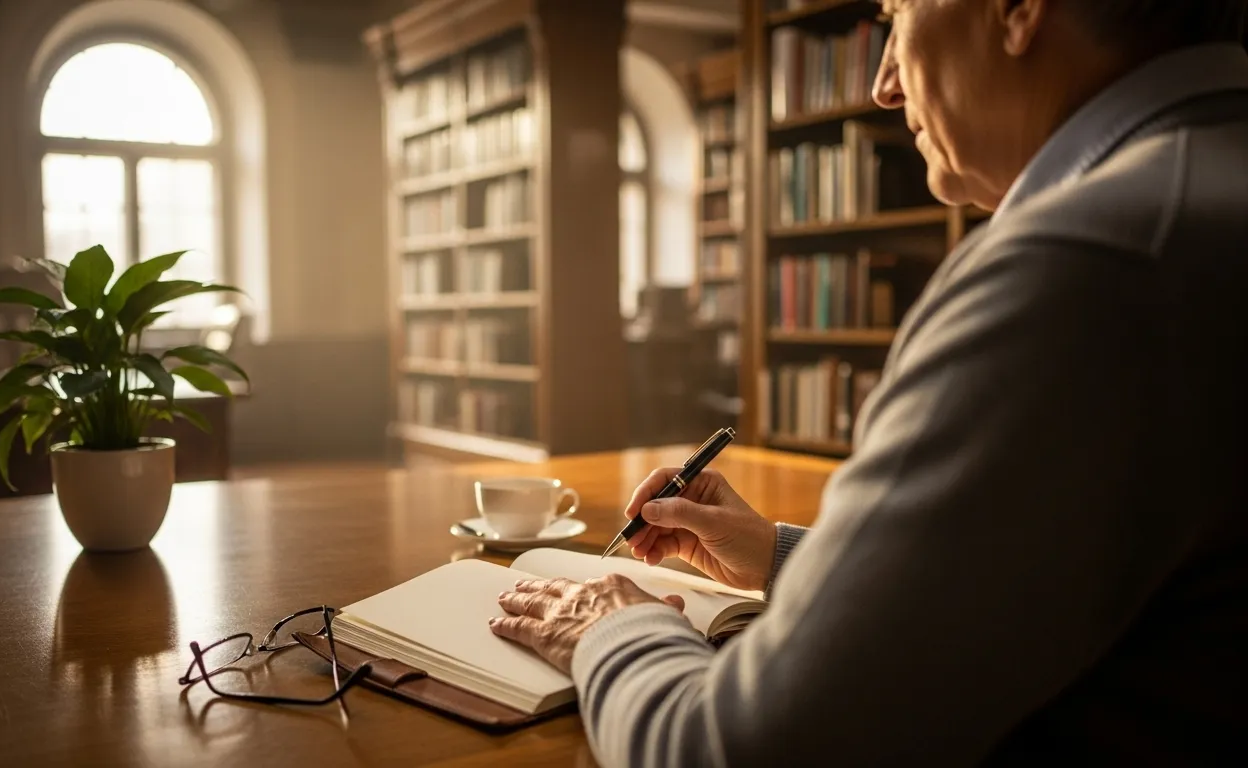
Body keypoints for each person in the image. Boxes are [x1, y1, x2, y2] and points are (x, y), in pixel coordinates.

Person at [488, 1, 1248, 764]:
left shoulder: (1083, 267)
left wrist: (608, 622)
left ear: (1015, 9)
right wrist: (783, 556)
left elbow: (736, 751)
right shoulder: (1200, 199)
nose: (884, 83)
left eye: (896, 12)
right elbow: (1059, 584)